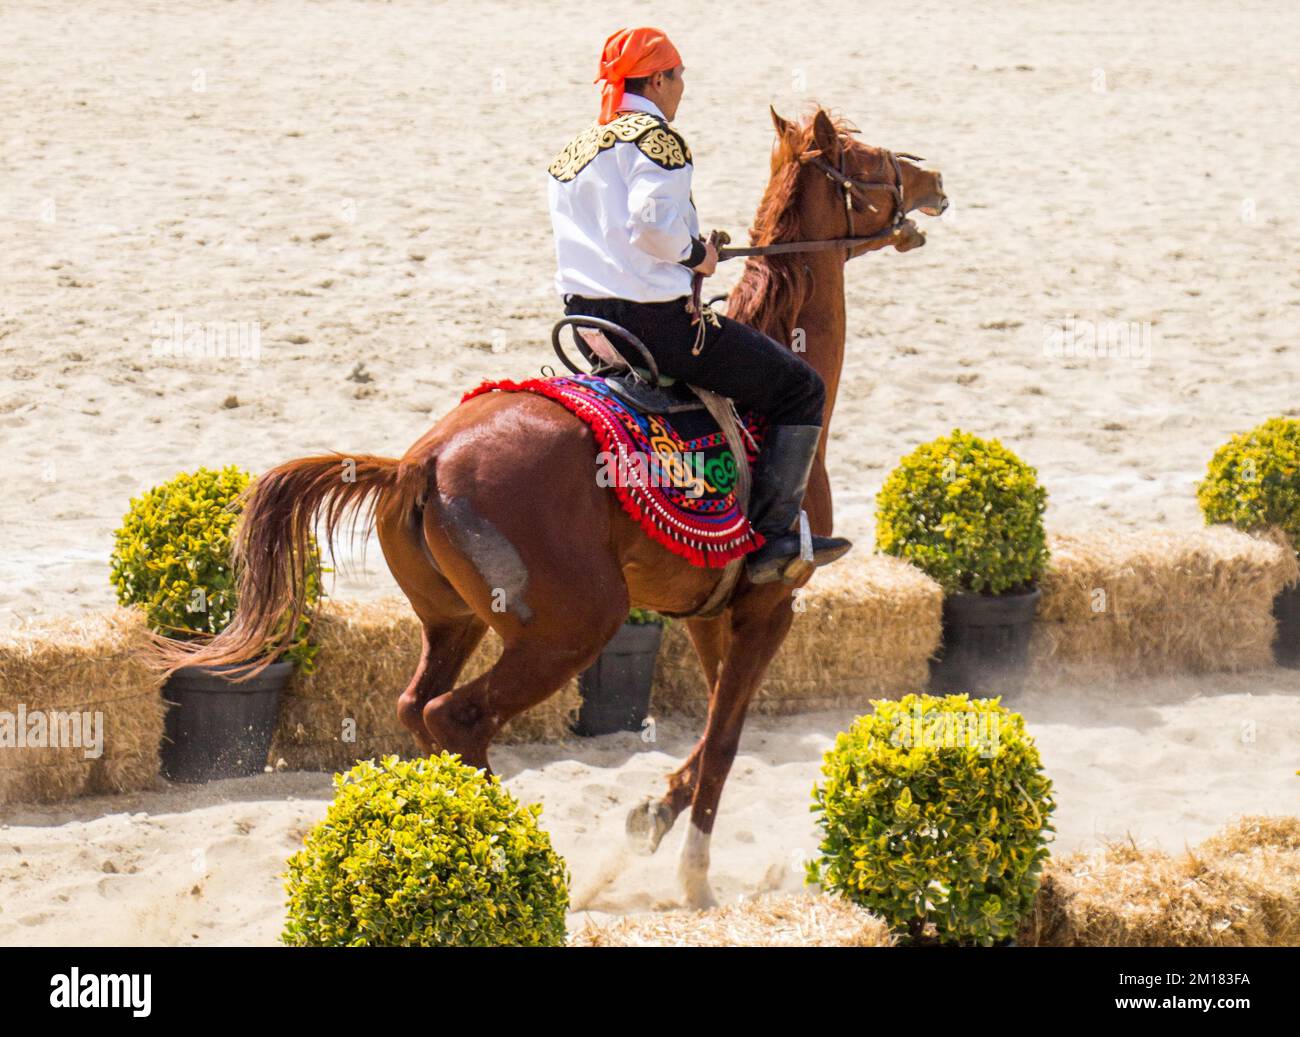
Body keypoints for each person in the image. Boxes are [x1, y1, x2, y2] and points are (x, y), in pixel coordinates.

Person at [545, 26, 851, 584]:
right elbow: (651, 227)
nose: (682, 86)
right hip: (658, 326)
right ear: (657, 79)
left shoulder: (576, 147)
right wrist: (697, 257)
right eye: (679, 75)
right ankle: (775, 540)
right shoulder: (658, 139)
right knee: (800, 388)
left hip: (588, 328)